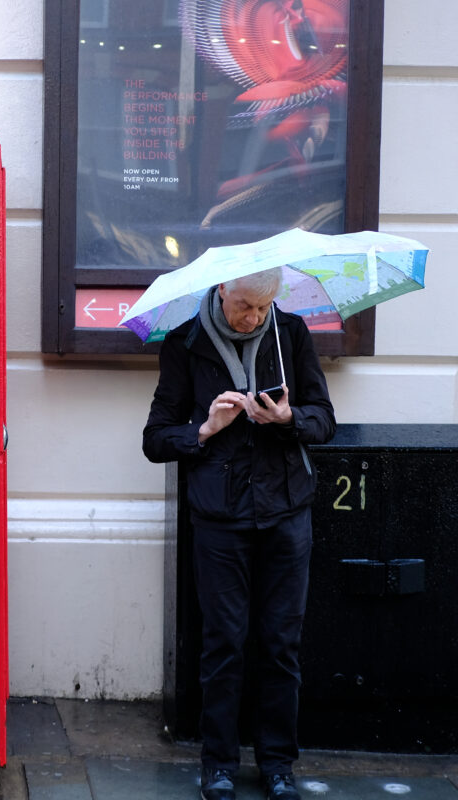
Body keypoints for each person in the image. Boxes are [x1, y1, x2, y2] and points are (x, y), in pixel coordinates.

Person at [142, 268, 335, 800]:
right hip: (220, 516)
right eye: (245, 306)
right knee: (223, 644)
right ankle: (218, 763)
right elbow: (155, 438)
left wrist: (290, 417)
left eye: (263, 307)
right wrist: (204, 429)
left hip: (286, 510)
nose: (253, 318)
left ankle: (278, 765)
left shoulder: (290, 333)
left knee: (280, 645)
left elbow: (325, 419)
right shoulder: (186, 343)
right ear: (222, 289)